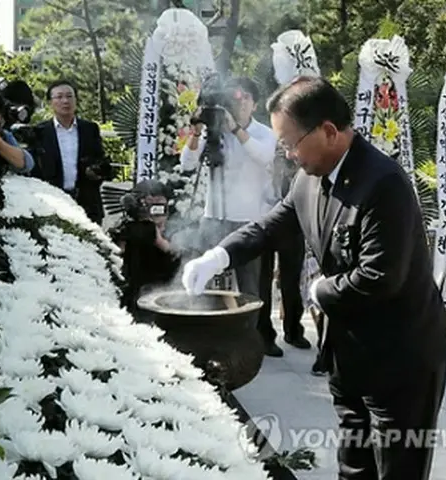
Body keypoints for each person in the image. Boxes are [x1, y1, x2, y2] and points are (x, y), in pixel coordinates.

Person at [182, 76, 446, 480]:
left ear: (328, 131)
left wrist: (318, 289)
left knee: (397, 470)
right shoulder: (309, 176)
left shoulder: (384, 183)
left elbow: (380, 277)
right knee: (354, 466)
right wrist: (219, 255)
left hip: (402, 359)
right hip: (349, 353)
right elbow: (272, 225)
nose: (288, 155)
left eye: (290, 143)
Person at [180, 77, 284, 355]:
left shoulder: (264, 132)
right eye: (234, 99)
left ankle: (259, 338)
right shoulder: (214, 134)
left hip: (250, 221)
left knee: (252, 286)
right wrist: (195, 132)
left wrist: (236, 129)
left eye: (245, 99)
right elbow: (187, 164)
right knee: (210, 280)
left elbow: (263, 157)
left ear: (255, 104)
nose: (239, 104)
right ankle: (212, 335)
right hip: (213, 217)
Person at [30, 79, 112, 225]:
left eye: (69, 96)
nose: (65, 101)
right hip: (53, 202)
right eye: (59, 97)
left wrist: (95, 171)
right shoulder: (40, 132)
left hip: (86, 202)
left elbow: (100, 159)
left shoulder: (89, 128)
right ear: (50, 102)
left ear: (76, 100)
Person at [257, 148, 311, 357]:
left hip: (292, 227)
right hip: (263, 223)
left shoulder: (298, 163)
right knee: (263, 281)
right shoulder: (261, 154)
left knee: (291, 281)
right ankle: (264, 334)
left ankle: (293, 330)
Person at [110, 179, 180, 315]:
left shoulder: (175, 229)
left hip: (165, 294)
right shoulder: (130, 229)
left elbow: (174, 252)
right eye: (150, 205)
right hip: (138, 294)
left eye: (160, 206)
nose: (157, 213)